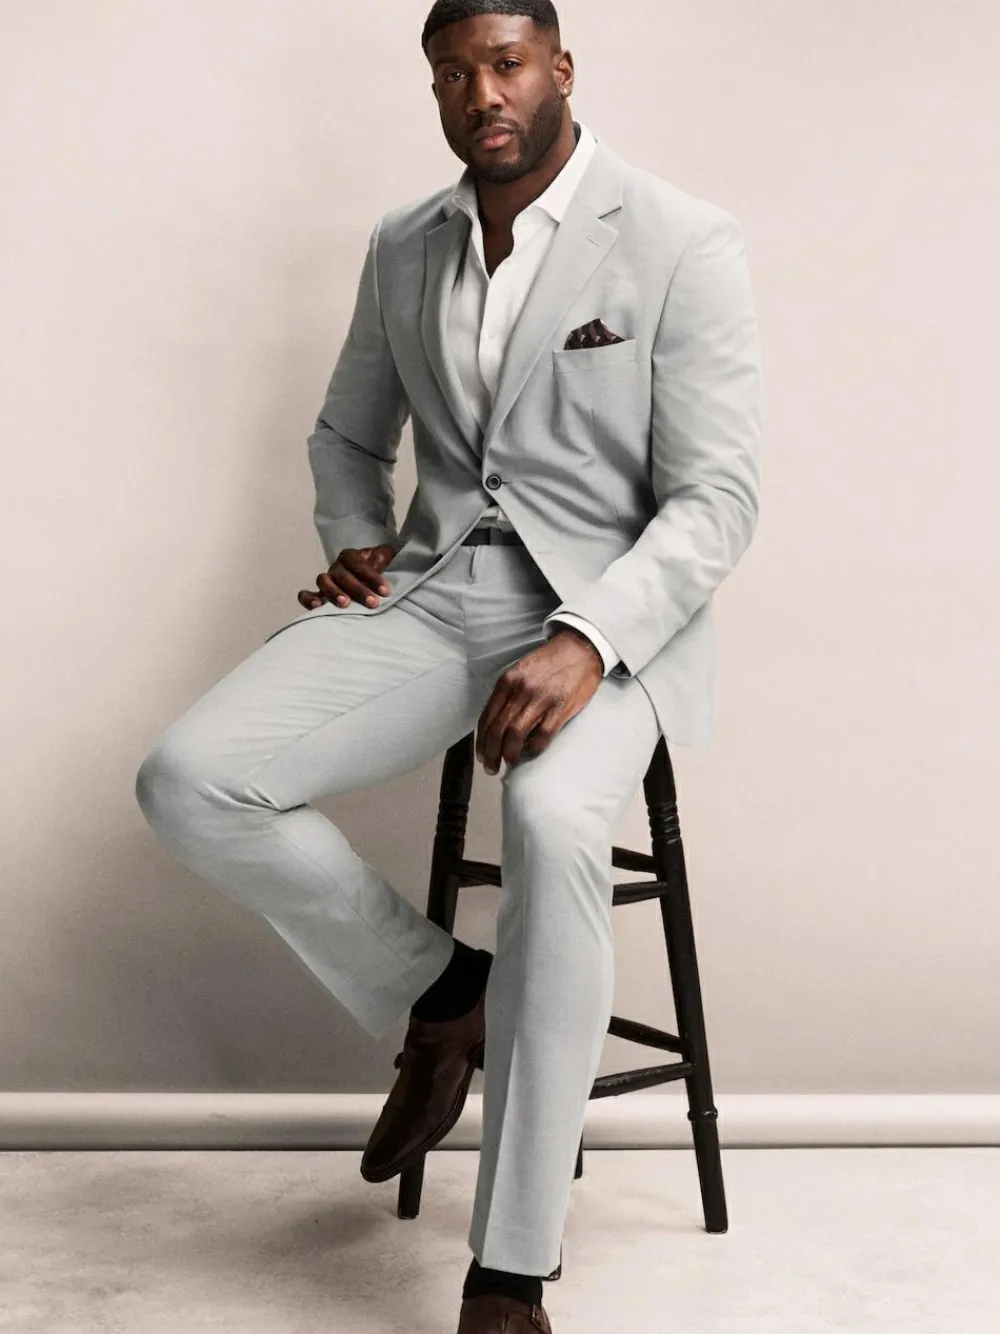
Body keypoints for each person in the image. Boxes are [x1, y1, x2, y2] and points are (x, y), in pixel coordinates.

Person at [134, 1, 762, 1329]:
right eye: (454, 73)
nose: (484, 93)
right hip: (434, 597)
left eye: (507, 64)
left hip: (604, 623)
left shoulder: (679, 238)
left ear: (560, 68)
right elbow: (344, 434)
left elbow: (717, 499)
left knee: (549, 822)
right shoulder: (405, 242)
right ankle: (442, 991)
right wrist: (355, 538)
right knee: (191, 777)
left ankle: (511, 1266)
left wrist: (588, 641)